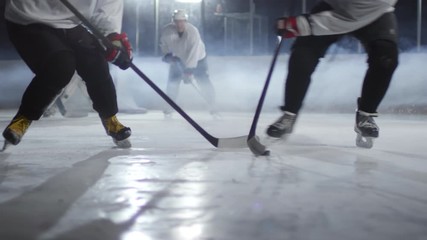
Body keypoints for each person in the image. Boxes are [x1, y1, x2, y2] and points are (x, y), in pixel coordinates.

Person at [2, 0, 133, 149]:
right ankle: (22, 119)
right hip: (28, 19)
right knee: (60, 65)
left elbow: (106, 7)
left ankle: (110, 119)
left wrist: (112, 38)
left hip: (70, 23)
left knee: (96, 63)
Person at [267, 0, 399, 147]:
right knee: (302, 56)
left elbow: (347, 18)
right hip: (334, 5)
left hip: (374, 13)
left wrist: (298, 25)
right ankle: (289, 114)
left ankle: (366, 114)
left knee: (385, 57)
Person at [160, 9, 217, 118]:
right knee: (172, 83)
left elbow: (194, 51)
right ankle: (169, 107)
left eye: (182, 21)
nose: (179, 24)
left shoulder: (193, 32)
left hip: (198, 59)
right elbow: (164, 45)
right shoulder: (166, 31)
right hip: (178, 59)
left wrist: (189, 71)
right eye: (177, 21)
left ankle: (212, 105)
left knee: (203, 81)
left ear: (185, 21)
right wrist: (167, 55)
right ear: (173, 22)